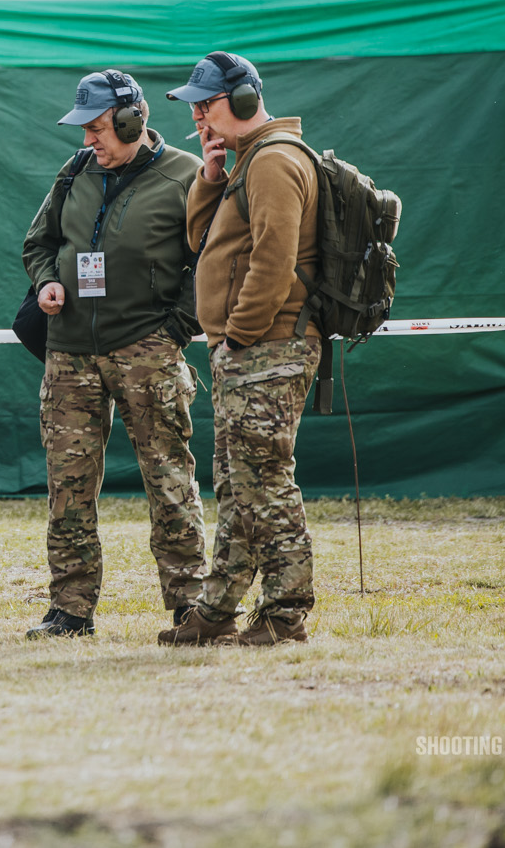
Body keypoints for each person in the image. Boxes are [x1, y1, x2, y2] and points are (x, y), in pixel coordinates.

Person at [20, 70, 206, 640]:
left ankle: (189, 603)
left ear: (133, 121)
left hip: (147, 351)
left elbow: (212, 259)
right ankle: (70, 609)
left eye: (98, 129)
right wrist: (49, 282)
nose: (89, 141)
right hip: (70, 353)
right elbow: (39, 243)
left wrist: (174, 328)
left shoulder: (186, 175)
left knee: (169, 478)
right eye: (84, 130)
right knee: (68, 486)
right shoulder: (75, 171)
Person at [161, 53, 321, 648]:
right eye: (196, 105)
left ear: (247, 102)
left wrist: (237, 337)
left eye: (207, 103)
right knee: (238, 482)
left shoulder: (275, 162)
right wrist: (209, 175)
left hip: (268, 346)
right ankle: (219, 609)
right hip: (252, 348)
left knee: (266, 481)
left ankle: (285, 613)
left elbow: (273, 263)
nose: (199, 114)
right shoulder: (247, 162)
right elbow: (204, 243)